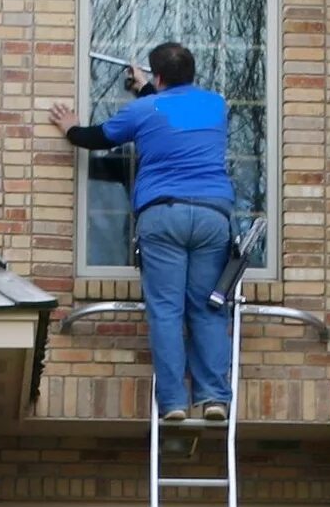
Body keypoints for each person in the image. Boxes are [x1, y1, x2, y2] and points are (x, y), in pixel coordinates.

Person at [46, 40, 238, 425]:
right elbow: (175, 113)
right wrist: (150, 87)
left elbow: (97, 138)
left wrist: (70, 128)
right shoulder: (216, 105)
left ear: (159, 76)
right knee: (208, 307)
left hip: (163, 215)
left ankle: (173, 403)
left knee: (166, 312)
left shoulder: (143, 110)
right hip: (213, 215)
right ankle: (214, 397)